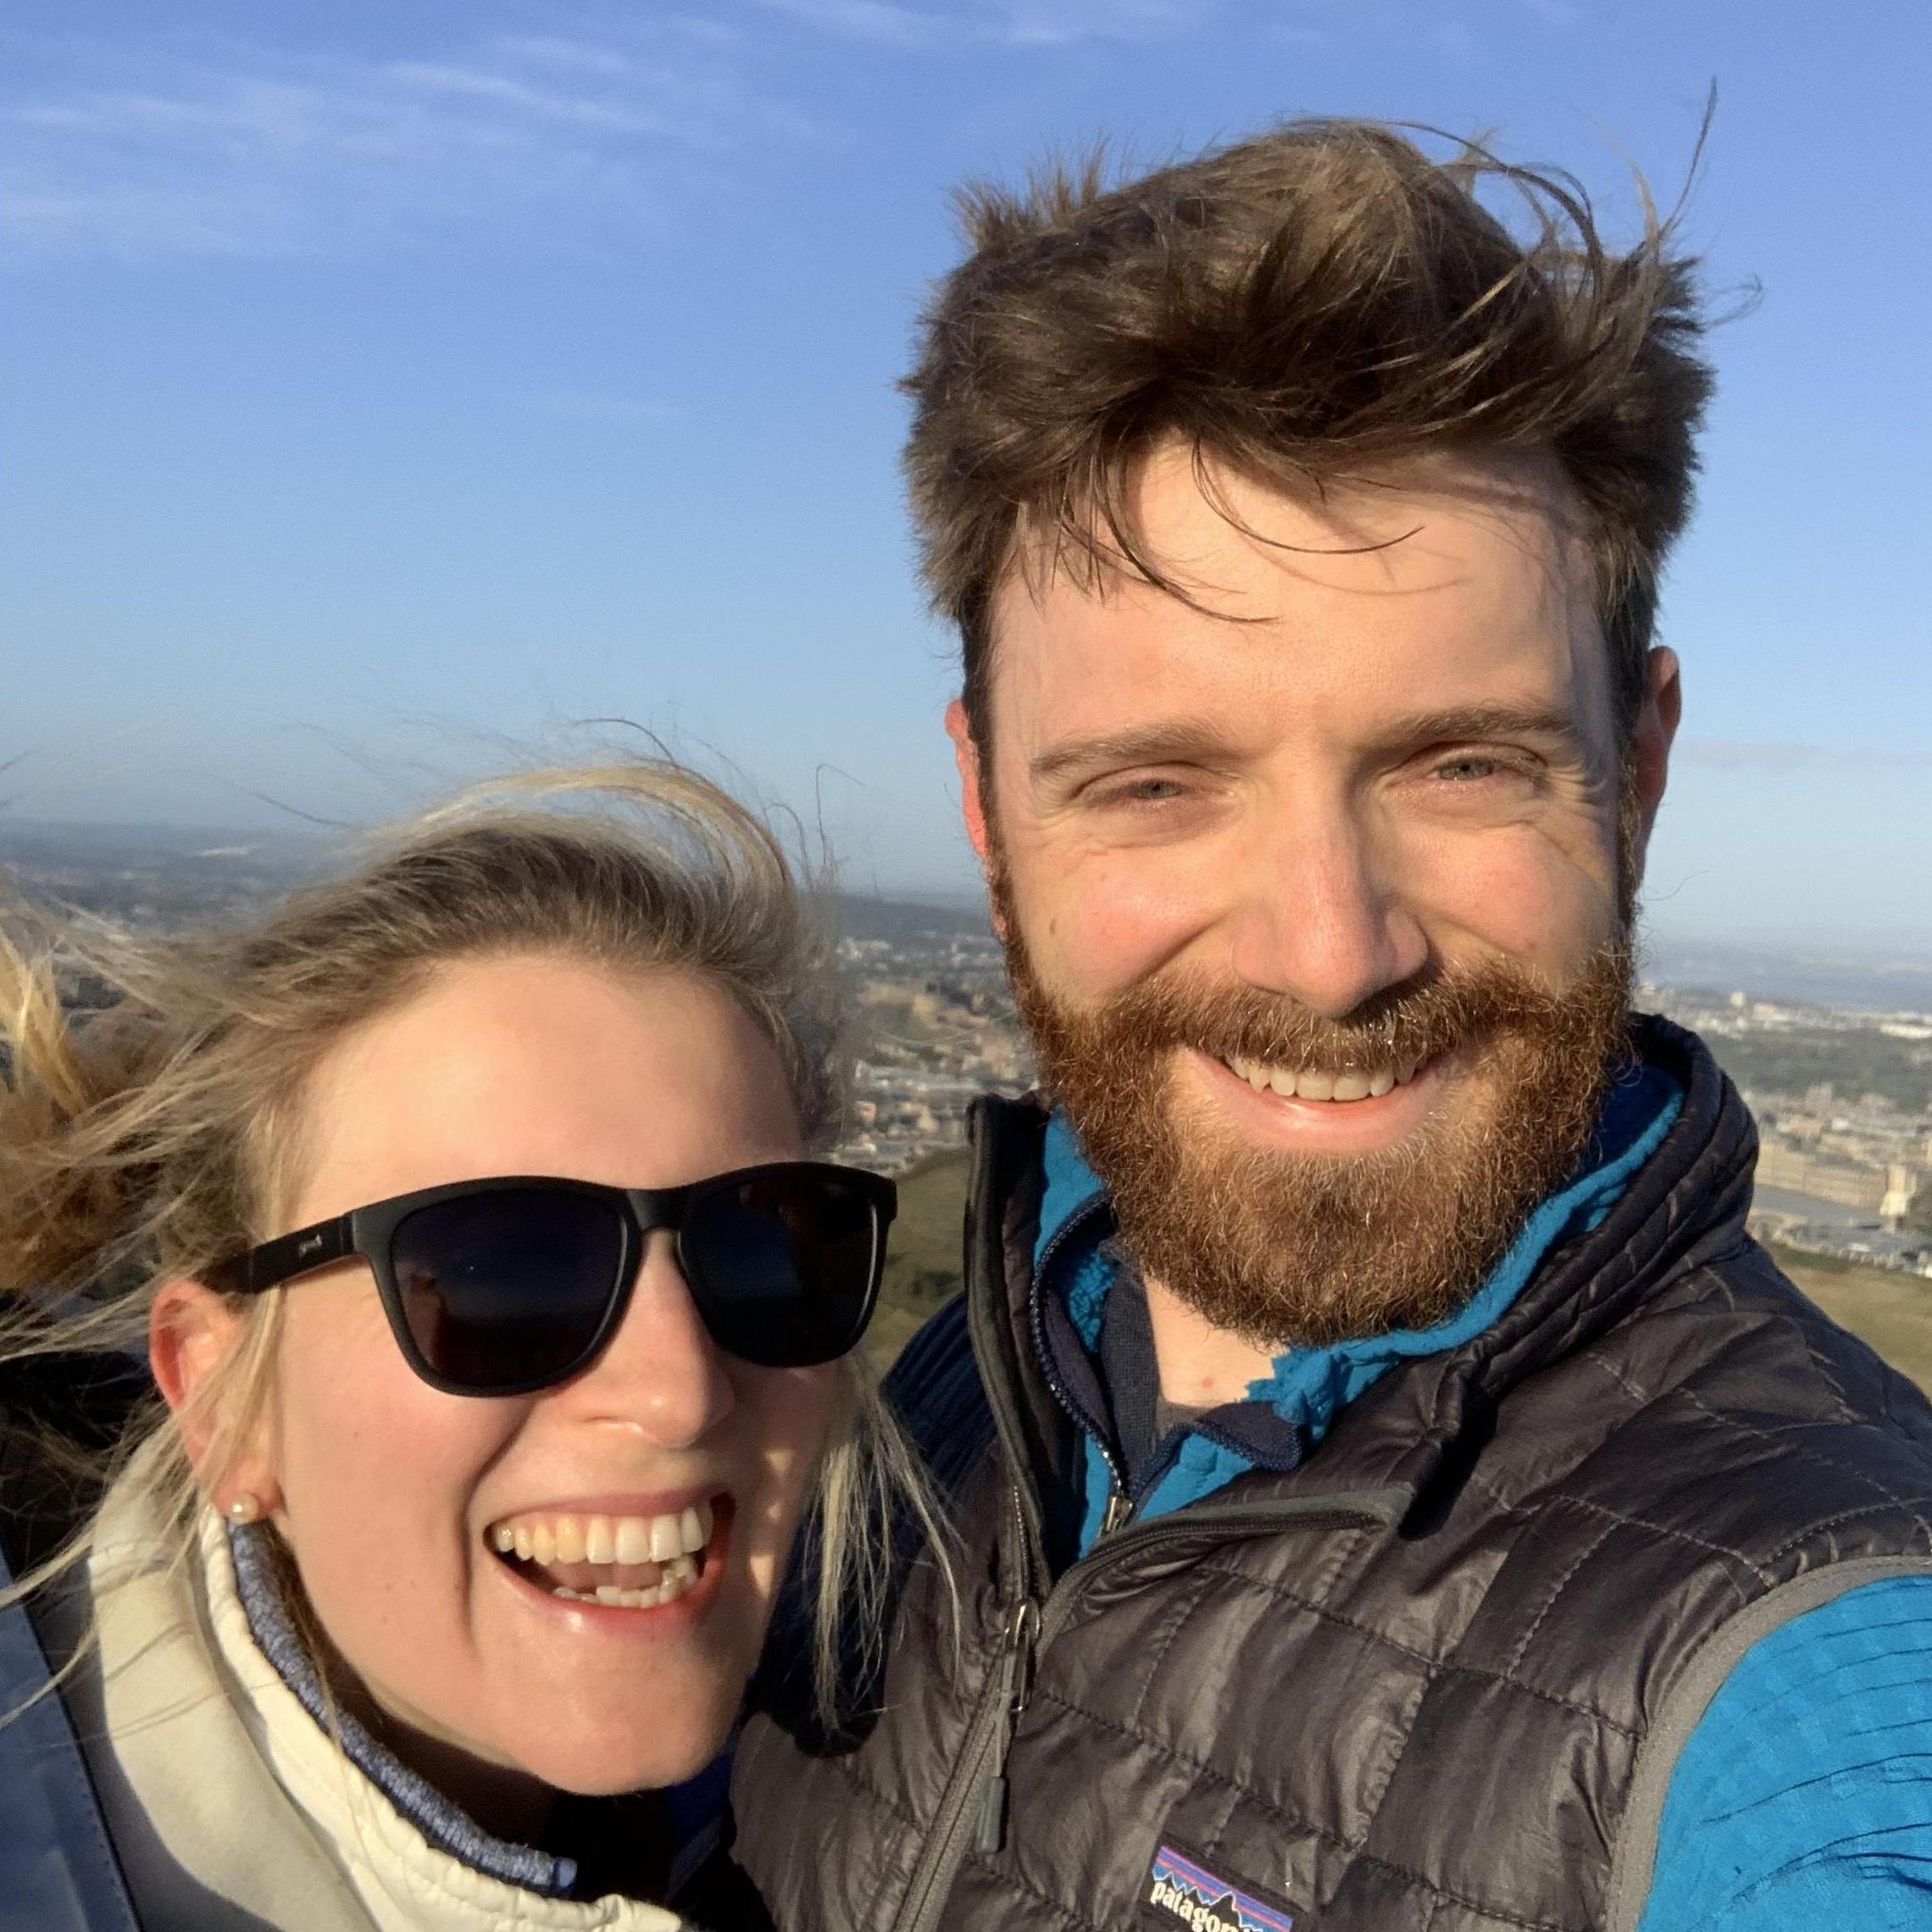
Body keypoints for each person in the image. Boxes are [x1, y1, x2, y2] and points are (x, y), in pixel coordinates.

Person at [731, 121, 1932, 1931]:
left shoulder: (1811, 1662)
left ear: (1643, 771)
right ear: (989, 815)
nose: (1328, 953)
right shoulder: (972, 1357)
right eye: (1155, 782)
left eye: (1463, 763)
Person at [0, 763, 928, 1932]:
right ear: (224, 1400)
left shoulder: (890, 1746)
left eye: (761, 1248)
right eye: (500, 1275)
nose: (679, 1389)